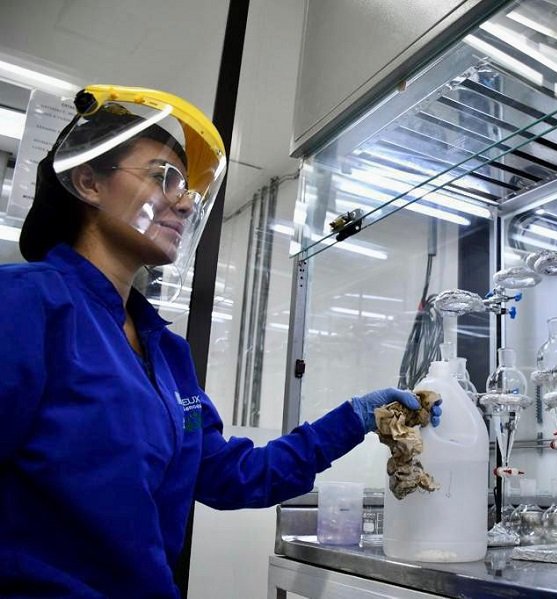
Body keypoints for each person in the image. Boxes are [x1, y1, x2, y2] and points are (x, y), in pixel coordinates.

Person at [0, 85, 441, 598]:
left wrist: (355, 417)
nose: (185, 203)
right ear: (88, 182)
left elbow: (232, 475)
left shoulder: (166, 352)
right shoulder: (25, 304)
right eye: (163, 177)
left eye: (188, 188)